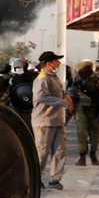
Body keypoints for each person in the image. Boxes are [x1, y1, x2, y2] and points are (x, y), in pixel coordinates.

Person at [32, 51, 72, 190]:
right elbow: (41, 97)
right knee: (42, 152)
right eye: (57, 61)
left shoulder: (54, 77)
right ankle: (35, 179)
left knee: (60, 151)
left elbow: (60, 93)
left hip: (57, 120)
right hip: (44, 121)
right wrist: (62, 102)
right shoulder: (42, 79)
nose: (59, 63)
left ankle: (55, 180)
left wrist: (67, 97)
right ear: (49, 63)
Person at [68, 59, 99, 165]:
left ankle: (93, 154)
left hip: (96, 109)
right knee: (81, 133)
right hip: (81, 108)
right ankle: (82, 156)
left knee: (95, 134)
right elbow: (72, 91)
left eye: (82, 70)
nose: (80, 72)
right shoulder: (78, 79)